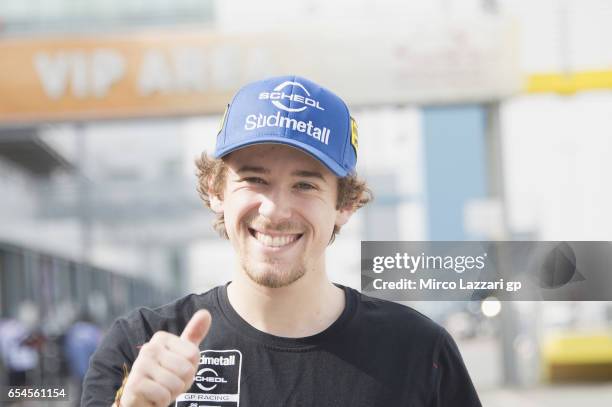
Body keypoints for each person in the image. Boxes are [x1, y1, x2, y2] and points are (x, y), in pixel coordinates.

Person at [82, 75, 481, 406]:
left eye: (305, 184)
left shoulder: (417, 351)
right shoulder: (142, 346)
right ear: (215, 191)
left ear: (347, 204)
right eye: (254, 179)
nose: (275, 210)